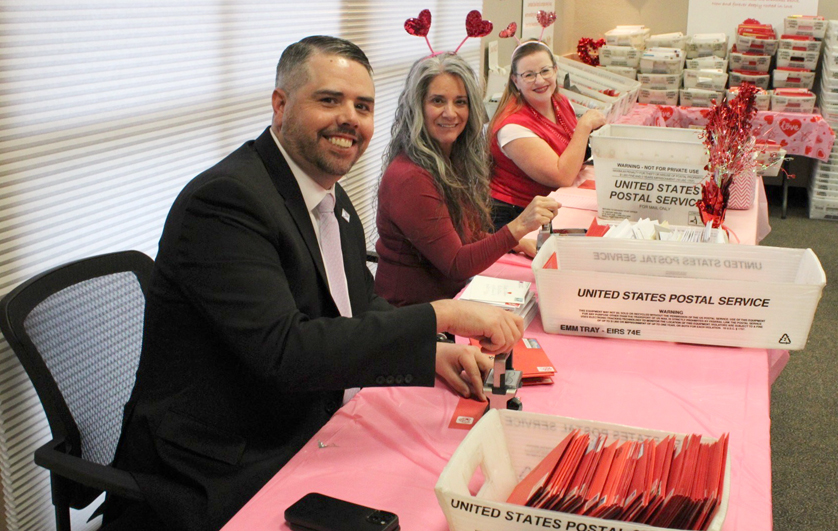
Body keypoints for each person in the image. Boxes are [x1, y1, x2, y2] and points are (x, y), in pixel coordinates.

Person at [101, 36, 523, 531]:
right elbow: (287, 353)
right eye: (329, 100)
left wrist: (428, 351)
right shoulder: (226, 203)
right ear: (279, 105)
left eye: (362, 106)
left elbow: (359, 306)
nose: (350, 119)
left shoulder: (332, 202)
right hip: (223, 460)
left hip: (307, 419)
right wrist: (442, 315)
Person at [374, 53, 560, 307]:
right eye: (438, 101)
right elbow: (456, 264)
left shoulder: (451, 158)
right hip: (411, 317)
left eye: (460, 102)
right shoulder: (410, 177)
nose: (450, 113)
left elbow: (458, 234)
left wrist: (514, 242)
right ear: (417, 107)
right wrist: (518, 227)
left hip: (446, 305)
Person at [487, 40, 607, 230]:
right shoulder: (512, 127)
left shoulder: (559, 101)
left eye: (545, 71)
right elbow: (562, 176)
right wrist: (584, 126)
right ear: (515, 80)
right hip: (516, 216)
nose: (540, 81)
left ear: (556, 70)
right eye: (529, 75)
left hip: (550, 205)